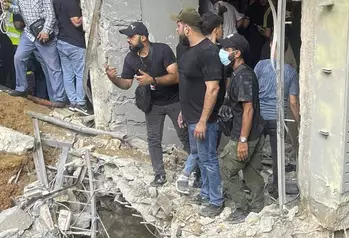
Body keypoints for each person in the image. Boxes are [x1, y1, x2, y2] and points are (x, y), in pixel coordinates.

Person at [104, 22, 188, 187]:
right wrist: (113, 78)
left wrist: (153, 80)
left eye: (131, 36)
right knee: (153, 140)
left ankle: (197, 170)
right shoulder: (130, 58)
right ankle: (159, 175)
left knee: (185, 136)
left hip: (174, 101)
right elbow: (126, 84)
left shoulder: (162, 50)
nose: (128, 40)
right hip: (153, 105)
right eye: (127, 37)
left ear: (143, 37)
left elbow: (176, 77)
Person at [174, 8, 225, 218]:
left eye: (177, 25)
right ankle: (205, 194)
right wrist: (182, 111)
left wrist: (203, 120)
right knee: (201, 159)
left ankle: (216, 201)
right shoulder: (184, 49)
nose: (176, 29)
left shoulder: (209, 52)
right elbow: (186, 83)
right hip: (191, 116)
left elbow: (213, 88)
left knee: (209, 159)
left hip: (205, 120)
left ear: (186, 27)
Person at [219, 33, 265, 222]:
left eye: (226, 50)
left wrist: (242, 141)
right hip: (253, 133)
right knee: (252, 172)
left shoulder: (244, 76)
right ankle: (258, 208)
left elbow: (248, 110)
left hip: (245, 135)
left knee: (226, 169)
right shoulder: (238, 73)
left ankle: (242, 207)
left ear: (236, 53)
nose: (222, 53)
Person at [254, 37, 299, 200]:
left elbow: (252, 91)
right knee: (277, 156)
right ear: (286, 49)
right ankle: (276, 188)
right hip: (278, 120)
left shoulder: (260, 66)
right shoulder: (291, 71)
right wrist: (299, 123)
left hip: (259, 118)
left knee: (253, 153)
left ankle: (254, 187)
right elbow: (293, 102)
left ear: (272, 46)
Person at [6, 0, 66, 107]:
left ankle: (60, 98)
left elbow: (51, 15)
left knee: (53, 67)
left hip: (43, 33)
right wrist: (9, 7)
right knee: (18, 57)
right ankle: (21, 88)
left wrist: (46, 31)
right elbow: (20, 10)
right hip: (29, 33)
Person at [53, 0, 87, 113]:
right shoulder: (72, 2)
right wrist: (87, 15)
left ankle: (73, 102)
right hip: (75, 44)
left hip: (62, 42)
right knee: (80, 74)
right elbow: (76, 22)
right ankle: (81, 103)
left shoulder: (56, 1)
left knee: (68, 74)